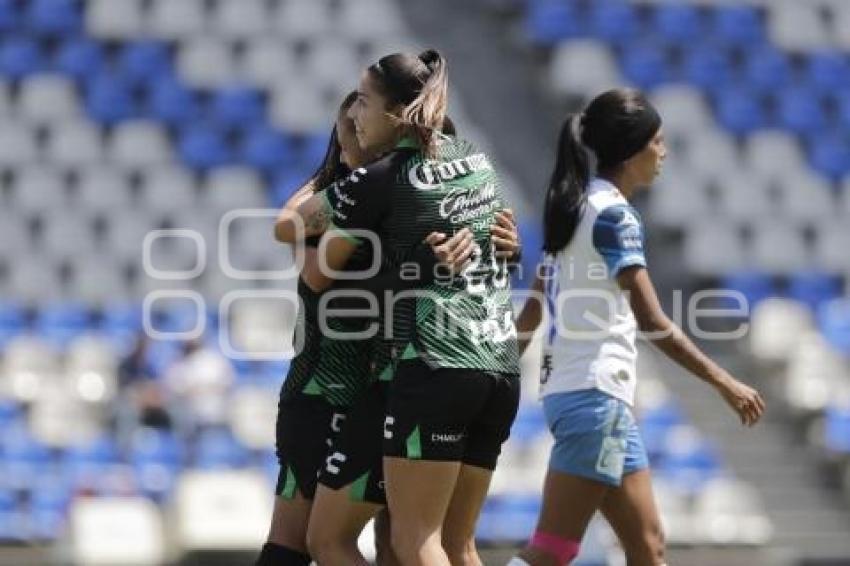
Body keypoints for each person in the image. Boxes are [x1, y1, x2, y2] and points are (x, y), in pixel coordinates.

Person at [281, 49, 522, 566]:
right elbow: (496, 249)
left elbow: (314, 270)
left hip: (427, 365)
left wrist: (407, 270)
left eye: (363, 103)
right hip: (498, 364)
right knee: (456, 544)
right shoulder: (476, 158)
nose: (354, 115)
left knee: (405, 541)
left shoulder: (379, 180)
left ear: (394, 113)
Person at [508, 88, 766, 566]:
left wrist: (496, 374)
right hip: (596, 398)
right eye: (658, 142)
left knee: (648, 548)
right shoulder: (614, 217)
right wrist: (724, 381)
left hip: (579, 396)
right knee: (552, 550)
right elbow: (652, 320)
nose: (663, 152)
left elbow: (531, 315)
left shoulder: (571, 209)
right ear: (632, 152)